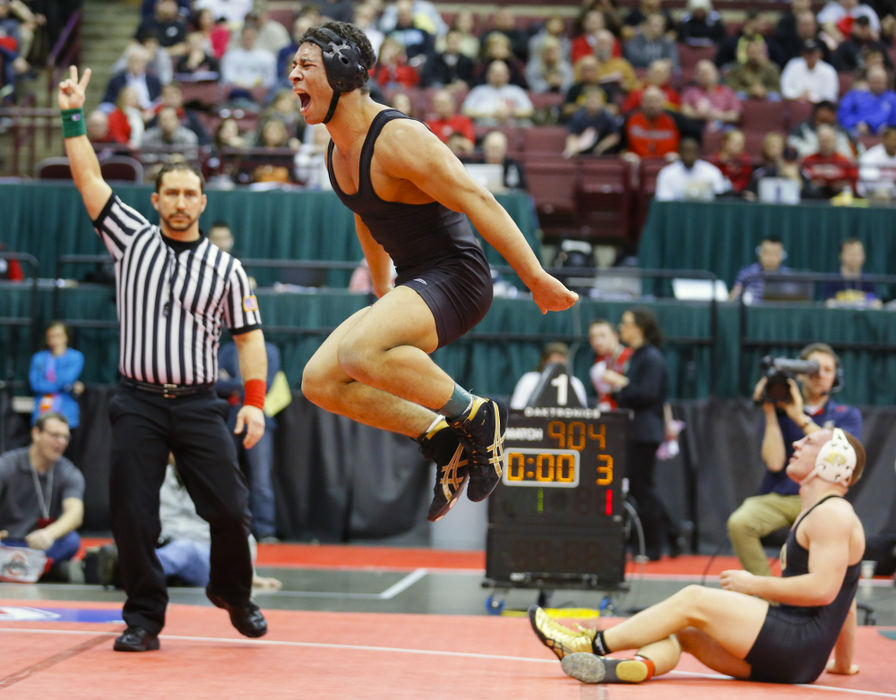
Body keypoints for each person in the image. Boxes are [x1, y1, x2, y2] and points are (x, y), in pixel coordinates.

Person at [288, 22, 578, 524]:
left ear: (340, 73)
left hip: (458, 276)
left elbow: (478, 199)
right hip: (417, 280)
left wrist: (536, 278)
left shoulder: (400, 138)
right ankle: (440, 436)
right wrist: (382, 293)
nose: (292, 74)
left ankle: (477, 416)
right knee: (318, 380)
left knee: (359, 353)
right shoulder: (337, 151)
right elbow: (367, 218)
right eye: (293, 64)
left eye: (305, 65)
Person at [57, 65, 269, 651]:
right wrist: (73, 114)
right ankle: (144, 617)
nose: (179, 201)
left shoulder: (227, 269)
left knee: (229, 510)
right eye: (169, 193)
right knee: (132, 515)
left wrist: (253, 405)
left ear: (202, 201)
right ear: (156, 200)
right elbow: (88, 177)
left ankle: (232, 592)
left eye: (188, 193)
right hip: (139, 400)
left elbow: (249, 339)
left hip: (200, 402)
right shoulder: (130, 236)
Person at [530, 426, 866, 686]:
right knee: (682, 629)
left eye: (808, 443)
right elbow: (846, 599)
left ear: (834, 461)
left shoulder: (831, 514)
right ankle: (633, 667)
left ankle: (590, 644)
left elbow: (824, 590)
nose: (796, 445)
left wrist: (755, 584)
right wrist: (842, 662)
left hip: (795, 643)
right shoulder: (825, 514)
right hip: (799, 655)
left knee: (694, 599)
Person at [728, 342, 861, 576]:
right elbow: (775, 463)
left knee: (823, 528)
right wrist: (770, 412)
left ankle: (804, 595)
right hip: (779, 496)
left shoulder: (846, 415)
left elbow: (841, 455)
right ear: (800, 375)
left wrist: (799, 417)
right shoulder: (780, 411)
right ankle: (768, 596)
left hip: (820, 498)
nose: (819, 375)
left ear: (836, 377)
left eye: (827, 370)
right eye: (812, 369)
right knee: (739, 522)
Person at [605, 308, 682, 560]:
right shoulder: (639, 356)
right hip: (637, 430)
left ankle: (655, 546)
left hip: (644, 432)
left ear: (639, 328)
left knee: (642, 489)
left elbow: (646, 393)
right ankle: (671, 533)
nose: (621, 328)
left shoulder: (651, 357)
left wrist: (620, 388)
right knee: (641, 488)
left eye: (626, 324)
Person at [0, 412, 84, 581]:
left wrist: (49, 534)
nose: (61, 442)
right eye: (55, 435)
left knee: (71, 541)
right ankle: (38, 570)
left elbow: (75, 514)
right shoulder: (7, 464)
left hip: (38, 544)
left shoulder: (69, 471)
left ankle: (15, 570)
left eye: (65, 437)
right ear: (36, 434)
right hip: (6, 541)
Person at [216, 341, 281, 541]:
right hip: (230, 419)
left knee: (261, 479)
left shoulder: (269, 350)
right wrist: (247, 384)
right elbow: (216, 384)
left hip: (259, 419)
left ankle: (265, 530)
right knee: (226, 476)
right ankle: (228, 527)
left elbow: (267, 385)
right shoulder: (226, 350)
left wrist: (233, 384)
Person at [29, 321, 84, 431]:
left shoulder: (75, 357)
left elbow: (67, 379)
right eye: (51, 336)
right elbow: (35, 385)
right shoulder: (39, 358)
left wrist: (57, 358)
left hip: (66, 412)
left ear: (66, 337)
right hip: (42, 412)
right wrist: (68, 386)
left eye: (58, 335)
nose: (54, 339)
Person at [510, 342, 587, 409]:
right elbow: (517, 408)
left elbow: (584, 413)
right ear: (544, 361)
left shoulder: (575, 382)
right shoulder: (529, 379)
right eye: (554, 361)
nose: (558, 365)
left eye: (561, 361)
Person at [655, 137, 729, 201]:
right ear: (679, 152)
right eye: (685, 152)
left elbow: (720, 197)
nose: (689, 156)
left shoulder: (711, 171)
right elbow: (664, 200)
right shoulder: (667, 173)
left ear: (698, 153)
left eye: (692, 152)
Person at [729, 235, 792, 303]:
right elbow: (733, 298)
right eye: (767, 253)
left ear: (782, 256)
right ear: (759, 253)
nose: (771, 258)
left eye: (775, 253)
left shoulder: (788, 275)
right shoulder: (747, 274)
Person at [820, 238, 882, 307]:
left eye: (858, 254)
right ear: (841, 255)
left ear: (864, 256)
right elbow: (827, 302)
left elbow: (877, 301)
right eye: (851, 253)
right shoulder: (832, 279)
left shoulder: (869, 279)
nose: (854, 257)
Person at [587, 319, 632, 411]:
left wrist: (618, 380)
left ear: (615, 336)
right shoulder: (599, 361)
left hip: (626, 413)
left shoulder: (629, 356)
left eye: (602, 335)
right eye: (593, 337)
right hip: (607, 414)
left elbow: (643, 389)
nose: (597, 341)